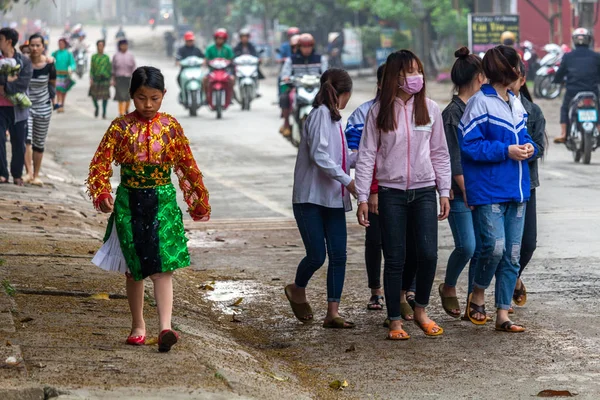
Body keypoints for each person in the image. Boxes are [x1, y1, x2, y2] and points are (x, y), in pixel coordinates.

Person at [87, 66, 211, 353]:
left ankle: (166, 327)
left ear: (164, 95)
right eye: (141, 98)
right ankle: (138, 326)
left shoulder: (170, 127)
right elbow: (100, 163)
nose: (148, 105)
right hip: (129, 202)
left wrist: (198, 201)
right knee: (134, 269)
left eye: (154, 98)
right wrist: (102, 192)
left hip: (163, 202)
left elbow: (187, 165)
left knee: (164, 267)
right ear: (131, 95)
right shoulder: (119, 127)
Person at [355, 50, 451, 340]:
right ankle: (394, 320)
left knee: (428, 254)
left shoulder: (431, 109)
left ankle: (420, 309)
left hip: (424, 191)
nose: (416, 77)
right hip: (390, 192)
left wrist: (444, 191)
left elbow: (439, 153)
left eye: (418, 71)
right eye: (410, 72)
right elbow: (367, 156)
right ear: (395, 77)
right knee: (395, 256)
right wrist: (362, 196)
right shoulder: (378, 112)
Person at [459, 45, 538, 333]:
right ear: (506, 69)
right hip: (489, 189)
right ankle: (478, 292)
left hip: (518, 190)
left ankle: (503, 314)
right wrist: (506, 150)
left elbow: (527, 136)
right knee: (494, 248)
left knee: (512, 255)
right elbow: (469, 146)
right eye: (516, 65)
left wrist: (530, 147)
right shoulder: (479, 103)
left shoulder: (516, 101)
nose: (519, 71)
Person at [285, 68, 357, 329]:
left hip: (333, 199)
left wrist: (366, 157)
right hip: (310, 198)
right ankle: (297, 287)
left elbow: (341, 158)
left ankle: (332, 312)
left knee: (339, 255)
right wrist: (348, 181)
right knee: (317, 255)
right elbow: (320, 156)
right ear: (344, 93)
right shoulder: (319, 116)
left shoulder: (336, 118)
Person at [438, 47, 485, 318]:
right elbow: (452, 157)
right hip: (459, 191)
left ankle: (472, 302)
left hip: (480, 188)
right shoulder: (452, 114)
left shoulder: (478, 108)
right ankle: (449, 286)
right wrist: (466, 190)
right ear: (478, 77)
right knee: (467, 245)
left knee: (481, 247)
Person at [344, 64, 386, 310]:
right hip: (374, 189)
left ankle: (406, 292)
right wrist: (368, 190)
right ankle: (376, 290)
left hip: (406, 188)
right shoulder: (362, 114)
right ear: (381, 83)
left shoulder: (417, 111)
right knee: (375, 239)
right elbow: (352, 154)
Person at [510, 60, 546, 308]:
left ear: (523, 81)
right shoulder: (488, 107)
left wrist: (530, 149)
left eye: (513, 77)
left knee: (528, 243)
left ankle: (514, 277)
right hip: (498, 185)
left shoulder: (533, 112)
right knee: (499, 244)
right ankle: (503, 292)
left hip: (526, 185)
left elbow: (540, 147)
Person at [553, 28, 600, 143]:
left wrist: (557, 81)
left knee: (565, 108)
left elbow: (560, 74)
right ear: (589, 40)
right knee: (598, 107)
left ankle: (564, 134)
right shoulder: (596, 56)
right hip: (592, 91)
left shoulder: (568, 56)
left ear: (573, 40)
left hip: (573, 91)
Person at [0, 27, 32, 185]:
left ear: (8, 41)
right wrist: (9, 81)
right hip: (0, 107)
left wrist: (4, 87)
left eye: (1, 39)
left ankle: (17, 174)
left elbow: (23, 83)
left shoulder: (24, 61)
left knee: (19, 143)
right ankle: (2, 174)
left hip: (19, 108)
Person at [22, 33, 55, 186]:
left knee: (39, 143)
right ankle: (28, 173)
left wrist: (53, 103)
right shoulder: (23, 63)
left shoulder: (49, 65)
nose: (34, 48)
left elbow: (52, 85)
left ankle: (36, 175)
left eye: (38, 45)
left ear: (43, 47)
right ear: (28, 46)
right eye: (32, 45)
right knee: (26, 139)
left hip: (44, 109)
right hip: (26, 108)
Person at [279, 33, 328, 137]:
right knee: (284, 97)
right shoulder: (291, 60)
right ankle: (287, 123)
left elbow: (326, 73)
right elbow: (285, 73)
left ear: (312, 46)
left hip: (317, 88)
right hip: (297, 87)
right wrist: (286, 78)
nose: (306, 49)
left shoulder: (320, 59)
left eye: (309, 46)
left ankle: (331, 124)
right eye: (304, 46)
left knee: (330, 99)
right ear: (299, 47)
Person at [112, 39, 136, 116]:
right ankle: (121, 112)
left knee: (128, 96)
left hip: (128, 78)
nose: (124, 47)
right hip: (119, 78)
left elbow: (133, 67)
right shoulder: (116, 56)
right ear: (119, 46)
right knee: (120, 96)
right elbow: (113, 68)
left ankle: (126, 109)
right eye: (122, 45)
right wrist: (113, 79)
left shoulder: (130, 56)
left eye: (125, 45)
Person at [52, 37, 75, 113]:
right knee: (58, 90)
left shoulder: (68, 54)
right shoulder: (55, 53)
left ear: (65, 45)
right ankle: (59, 104)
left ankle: (62, 104)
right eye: (59, 44)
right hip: (57, 75)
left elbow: (72, 63)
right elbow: (50, 60)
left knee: (64, 91)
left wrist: (71, 69)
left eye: (62, 44)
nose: (60, 45)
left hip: (65, 75)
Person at [89, 39, 111, 119]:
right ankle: (97, 107)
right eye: (99, 46)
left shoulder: (106, 58)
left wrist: (110, 79)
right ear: (97, 46)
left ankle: (104, 112)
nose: (100, 47)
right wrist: (91, 78)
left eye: (102, 46)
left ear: (104, 47)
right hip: (96, 79)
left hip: (105, 79)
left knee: (105, 97)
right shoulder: (93, 57)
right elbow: (92, 69)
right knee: (93, 95)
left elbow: (109, 68)